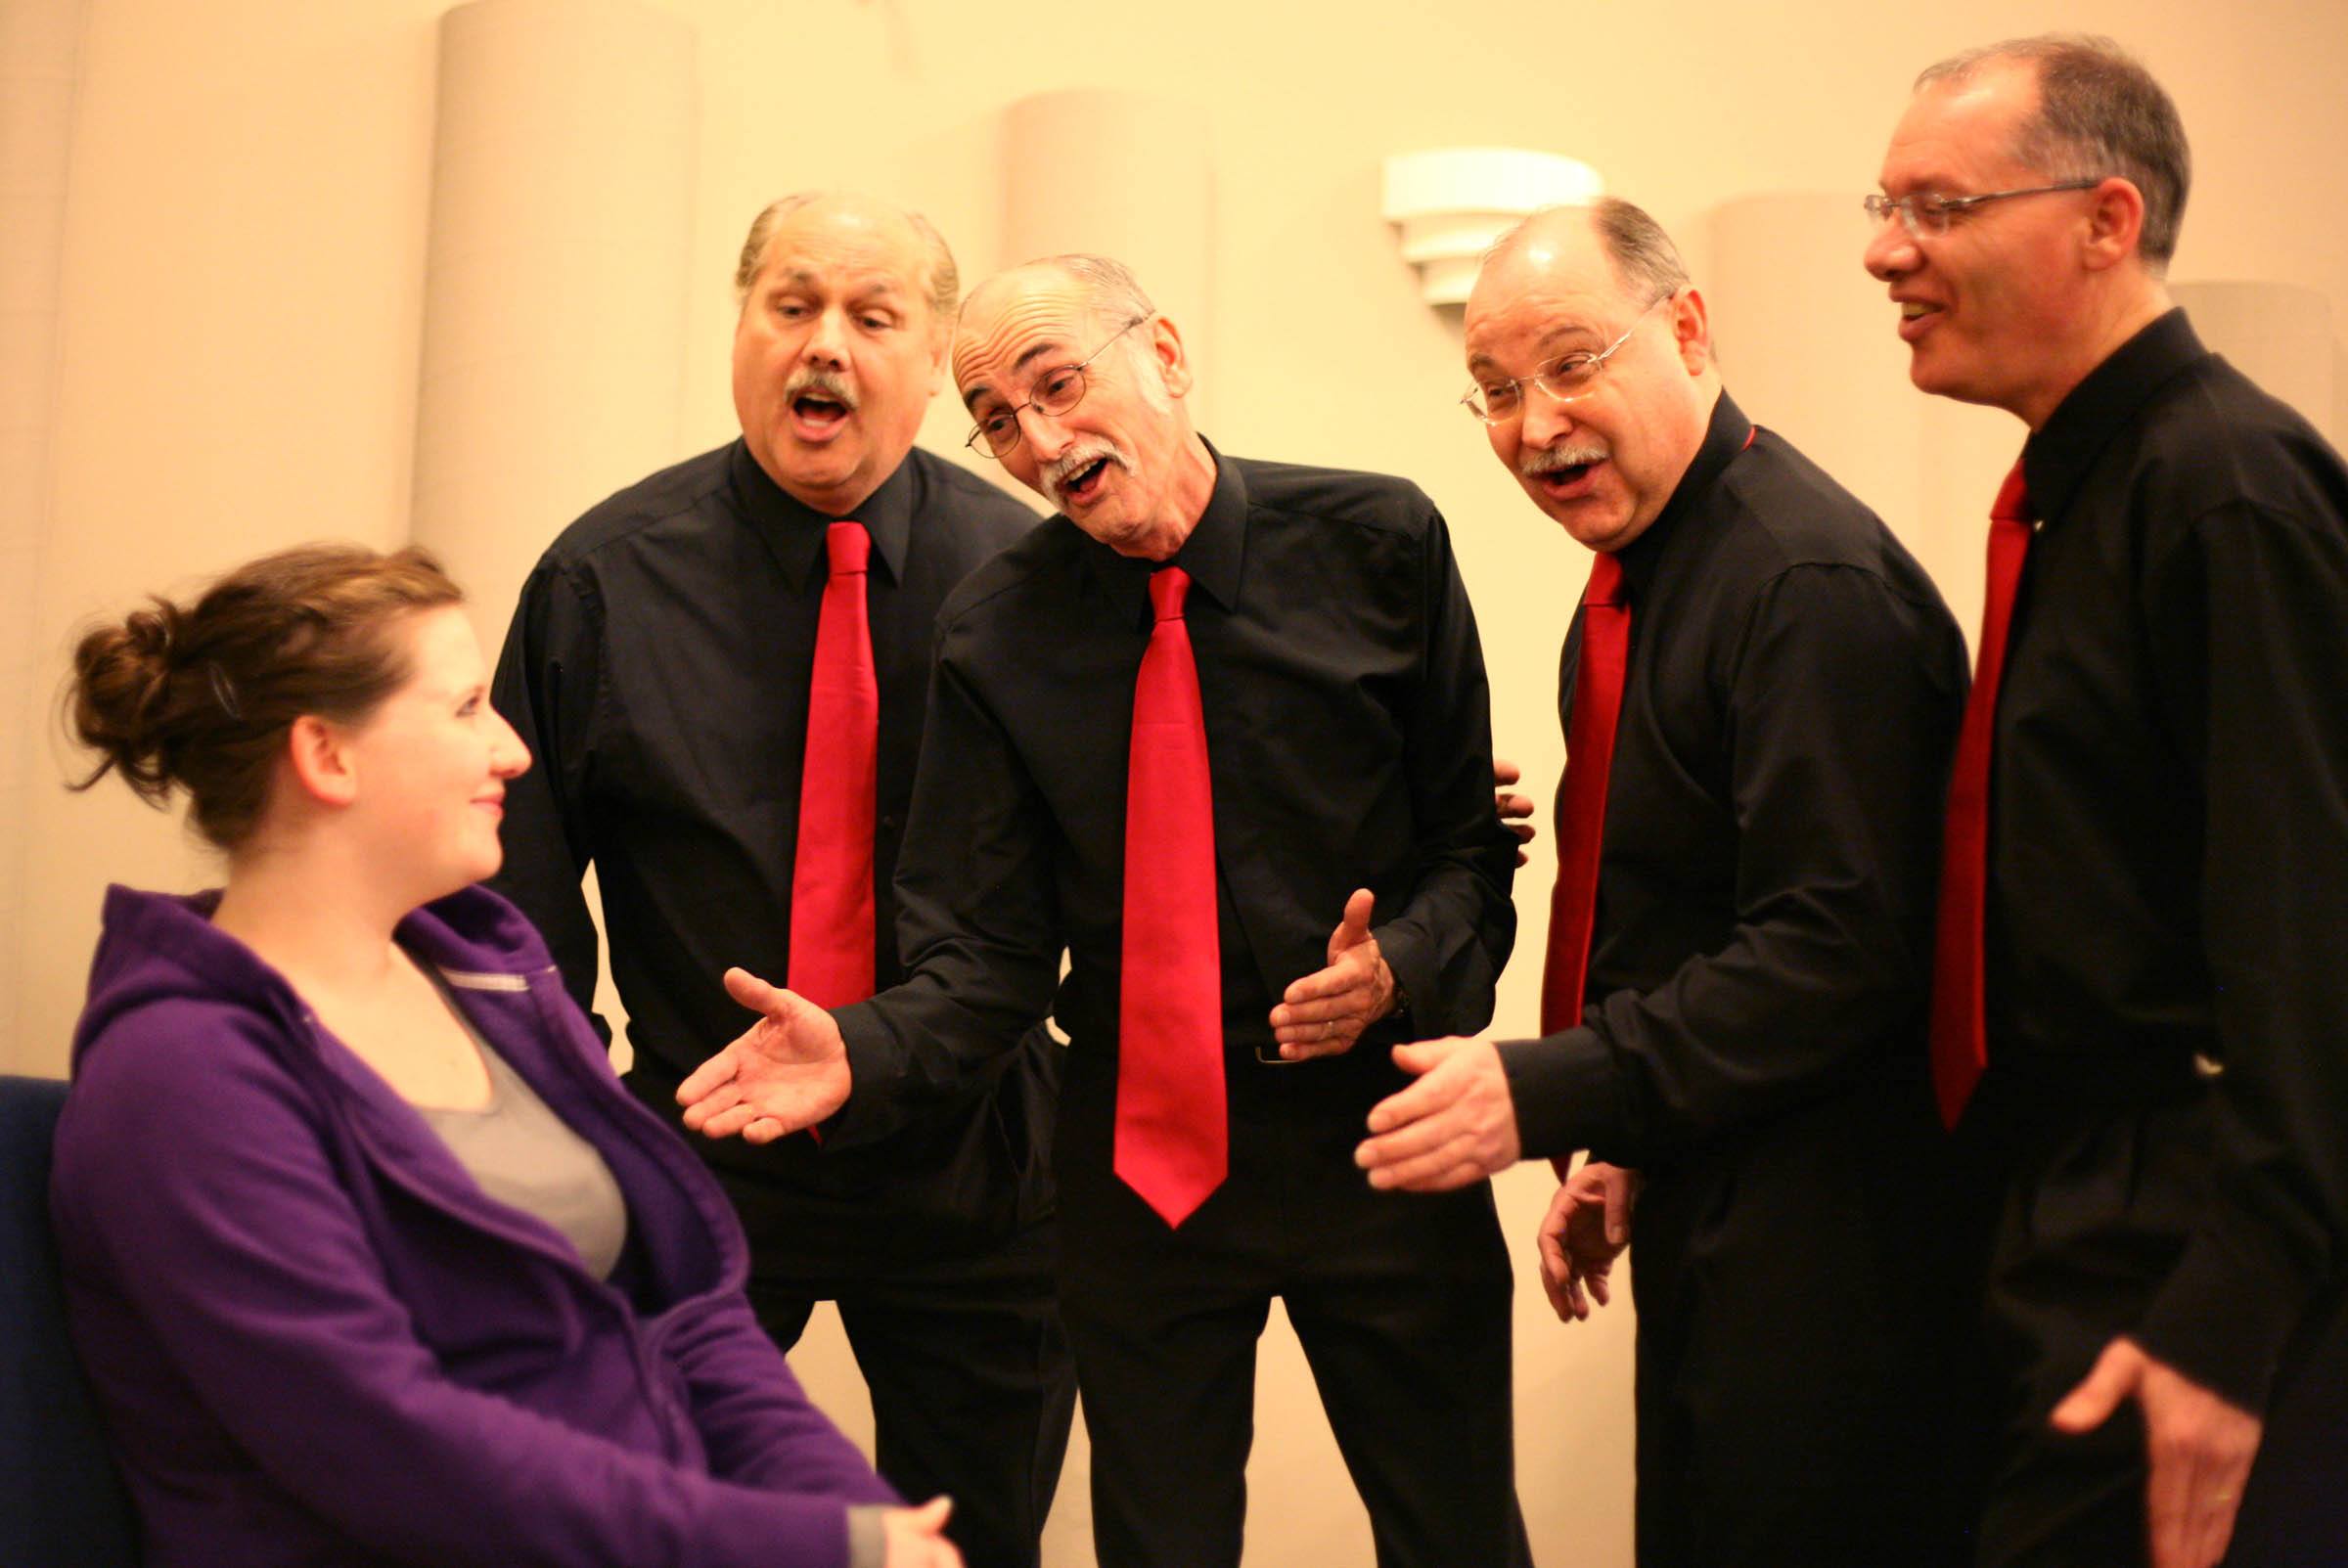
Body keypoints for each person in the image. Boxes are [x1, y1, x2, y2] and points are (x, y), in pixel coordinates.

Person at [674, 253, 1527, 1568]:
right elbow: (989, 952)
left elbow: (1474, 847)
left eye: (1059, 383)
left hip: (1382, 1130)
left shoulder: (1381, 542)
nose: (1040, 439)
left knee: (1456, 1530)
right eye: (1000, 419)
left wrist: (1397, 968)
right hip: (1140, 1167)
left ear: (1167, 355)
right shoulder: (996, 630)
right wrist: (864, 1045)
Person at [49, 543, 957, 1568]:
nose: (514, 751)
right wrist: (800, 1546)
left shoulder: (488, 979)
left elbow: (690, 1318)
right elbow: (387, 1444)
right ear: (327, 756)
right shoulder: (181, 1075)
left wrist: (855, 1519)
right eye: (468, 706)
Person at [1353, 200, 1971, 1566]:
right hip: (1714, 1187)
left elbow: (1838, 950)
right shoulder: (1632, 581)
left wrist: (1555, 1082)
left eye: (1574, 363)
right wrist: (1633, 1132)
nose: (1536, 423)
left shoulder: (1804, 581)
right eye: (1499, 391)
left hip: (1842, 1248)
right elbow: (1691, 905)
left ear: (1687, 328)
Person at [490, 192, 1072, 1568]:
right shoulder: (602, 576)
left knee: (970, 1544)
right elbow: (513, 881)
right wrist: (578, 1121)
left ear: (933, 360)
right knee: (658, 1532)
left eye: (873, 319)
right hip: (705, 1150)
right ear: (741, 326)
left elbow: (1142, 850)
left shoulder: (1039, 585)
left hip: (977, 1156)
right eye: (792, 305)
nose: (827, 347)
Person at [1865, 35, 2348, 1568]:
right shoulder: (2083, 488)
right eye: (1886, 206)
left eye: (1938, 207)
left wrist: (2228, 1313)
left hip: (2182, 1241)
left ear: (2107, 218)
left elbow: (2310, 938)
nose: (1888, 251)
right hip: (2063, 1210)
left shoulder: (2227, 488)